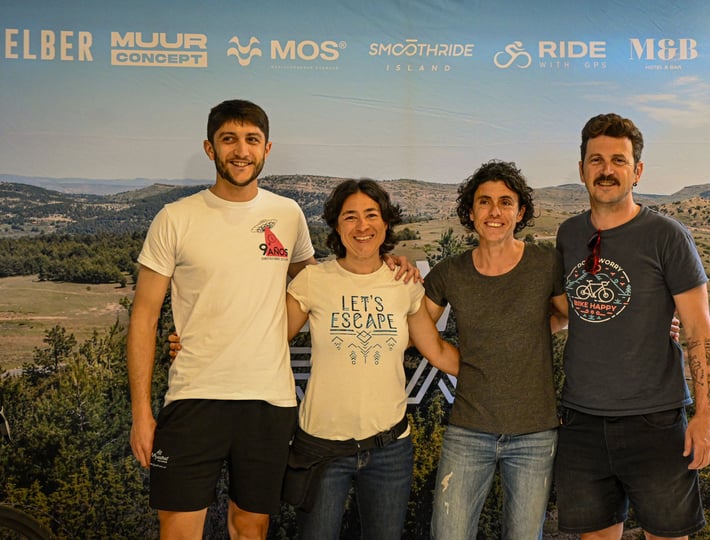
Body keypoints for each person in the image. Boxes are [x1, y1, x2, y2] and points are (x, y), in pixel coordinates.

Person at [126, 99, 317, 539]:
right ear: (210, 148)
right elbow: (144, 317)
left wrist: (385, 264)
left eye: (252, 140)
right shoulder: (175, 218)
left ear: (267, 148)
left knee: (251, 529)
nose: (241, 150)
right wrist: (141, 413)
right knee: (178, 531)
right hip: (193, 397)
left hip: (268, 401)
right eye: (229, 139)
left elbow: (318, 285)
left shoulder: (288, 214)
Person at [554, 113, 710, 540]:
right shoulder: (568, 235)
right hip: (582, 420)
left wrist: (706, 415)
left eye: (618, 161)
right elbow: (565, 309)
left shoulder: (667, 236)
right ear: (581, 170)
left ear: (637, 171)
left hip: (655, 422)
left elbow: (699, 330)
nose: (606, 170)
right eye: (596, 160)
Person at [285, 178, 460, 539]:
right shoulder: (313, 280)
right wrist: (199, 346)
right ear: (336, 226)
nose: (362, 226)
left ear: (385, 223)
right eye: (350, 216)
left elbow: (438, 351)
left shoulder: (405, 283)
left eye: (371, 215)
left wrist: (498, 371)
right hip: (322, 449)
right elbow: (266, 342)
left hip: (389, 450)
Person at [427, 160, 570, 539]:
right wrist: (462, 364)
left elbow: (570, 314)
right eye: (484, 202)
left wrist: (656, 323)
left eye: (506, 202)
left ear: (520, 212)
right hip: (468, 431)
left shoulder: (546, 263)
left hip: (534, 434)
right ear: (470, 212)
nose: (495, 211)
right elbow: (419, 328)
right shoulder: (450, 272)